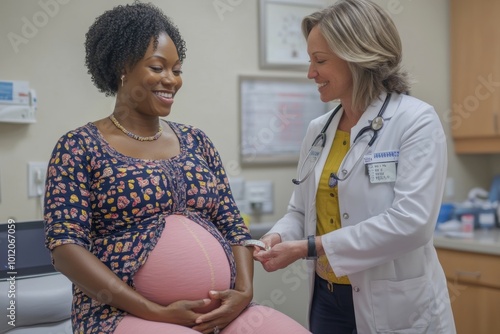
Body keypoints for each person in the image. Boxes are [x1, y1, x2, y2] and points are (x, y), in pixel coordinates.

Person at [43, 2, 311, 334]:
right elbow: (66, 248)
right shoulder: (79, 146)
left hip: (225, 313)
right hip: (121, 315)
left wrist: (243, 293)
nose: (171, 80)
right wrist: (154, 311)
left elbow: (233, 226)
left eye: (177, 69)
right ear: (121, 68)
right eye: (158, 68)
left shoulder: (197, 141)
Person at [254, 1, 456, 333]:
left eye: (320, 61)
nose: (310, 73)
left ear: (358, 58)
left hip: (394, 305)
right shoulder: (317, 130)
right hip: (327, 298)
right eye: (310, 61)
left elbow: (412, 223)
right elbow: (300, 212)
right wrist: (277, 236)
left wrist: (311, 247)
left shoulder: (415, 121)